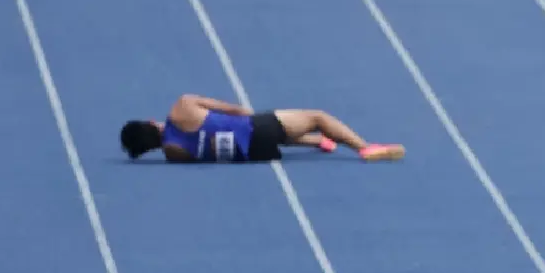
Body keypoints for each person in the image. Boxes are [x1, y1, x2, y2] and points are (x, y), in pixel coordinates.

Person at [120, 96, 404, 164]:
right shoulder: (182, 105)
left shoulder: (173, 154)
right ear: (150, 122)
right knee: (317, 116)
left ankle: (317, 142)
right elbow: (232, 110)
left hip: (254, 154)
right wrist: (249, 115)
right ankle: (364, 147)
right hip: (255, 130)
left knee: (278, 133)